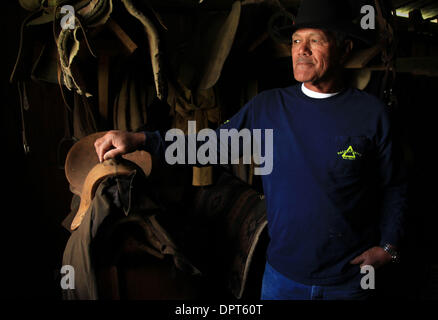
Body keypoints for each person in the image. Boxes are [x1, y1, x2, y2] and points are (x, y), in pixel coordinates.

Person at [94, 0, 407, 300]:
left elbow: (394, 184)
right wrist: (140, 140)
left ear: (345, 48)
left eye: (316, 41)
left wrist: (389, 247)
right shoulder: (269, 107)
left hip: (349, 282)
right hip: (282, 280)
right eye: (297, 40)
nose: (302, 50)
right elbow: (209, 146)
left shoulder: (371, 114)